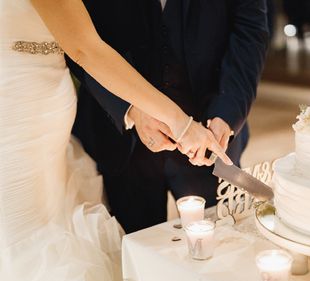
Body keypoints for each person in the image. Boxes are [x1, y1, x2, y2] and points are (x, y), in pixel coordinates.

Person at [0, 0, 231, 281]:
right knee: (21, 235)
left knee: (50, 217)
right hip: (16, 110)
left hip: (46, 105)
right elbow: (84, 47)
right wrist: (179, 122)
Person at [68, 0, 270, 233]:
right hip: (119, 138)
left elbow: (250, 28)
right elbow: (77, 39)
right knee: (134, 251)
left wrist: (227, 113)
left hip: (208, 136)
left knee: (220, 245)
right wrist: (129, 108)